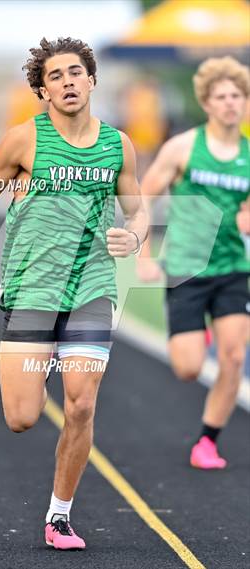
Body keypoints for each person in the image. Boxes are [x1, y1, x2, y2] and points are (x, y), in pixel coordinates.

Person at [0, 37, 148, 550]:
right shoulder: (23, 140)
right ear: (42, 90)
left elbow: (139, 209)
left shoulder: (118, 145)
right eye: (55, 76)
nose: (68, 82)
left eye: (76, 72)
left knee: (80, 405)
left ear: (93, 80)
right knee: (22, 418)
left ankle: (59, 517)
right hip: (31, 287)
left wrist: (136, 234)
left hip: (92, 287)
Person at [137, 56, 249, 470]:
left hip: (233, 267)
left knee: (234, 357)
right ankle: (196, 336)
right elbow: (143, 199)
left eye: (237, 96)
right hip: (186, 265)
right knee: (188, 369)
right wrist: (144, 256)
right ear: (206, 102)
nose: (229, 103)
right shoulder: (183, 148)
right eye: (221, 96)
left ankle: (207, 442)